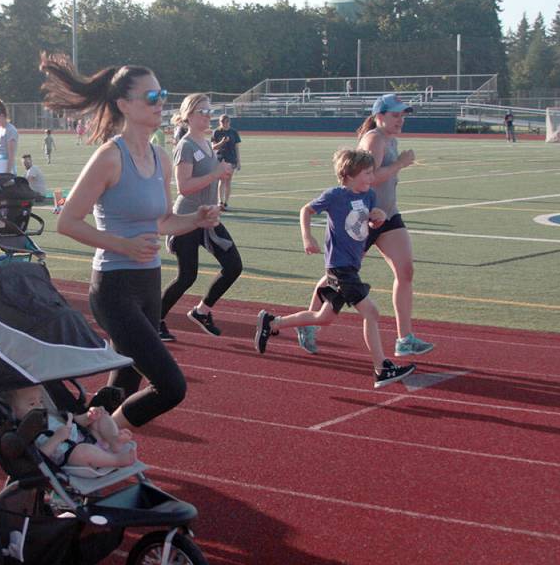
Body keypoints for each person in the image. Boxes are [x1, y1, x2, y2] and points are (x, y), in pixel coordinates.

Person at [40, 52, 221, 430]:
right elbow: (68, 221)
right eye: (151, 97)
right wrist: (121, 245)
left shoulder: (159, 157)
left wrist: (197, 219)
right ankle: (98, 437)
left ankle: (76, 437)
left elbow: (164, 221)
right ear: (124, 104)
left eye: (163, 95)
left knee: (123, 384)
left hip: (148, 284)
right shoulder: (110, 157)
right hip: (114, 287)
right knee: (171, 386)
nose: (161, 104)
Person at [254, 149, 417, 388]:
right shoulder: (335, 195)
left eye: (372, 172)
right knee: (371, 313)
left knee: (324, 318)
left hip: (352, 266)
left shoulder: (369, 196)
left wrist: (378, 217)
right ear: (349, 174)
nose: (372, 177)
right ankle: (381, 368)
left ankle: (272, 323)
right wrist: (307, 238)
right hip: (340, 268)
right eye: (367, 173)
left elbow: (369, 221)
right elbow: (306, 210)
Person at [298, 94, 434, 358]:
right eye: (396, 115)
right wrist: (400, 164)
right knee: (338, 274)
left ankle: (404, 338)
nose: (401, 120)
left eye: (403, 115)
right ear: (379, 116)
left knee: (405, 271)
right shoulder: (373, 139)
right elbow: (368, 179)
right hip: (362, 218)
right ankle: (309, 322)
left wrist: (396, 169)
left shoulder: (390, 139)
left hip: (387, 215)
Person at [158, 95, 240, 342]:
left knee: (234, 265)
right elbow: (183, 186)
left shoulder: (205, 142)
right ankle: (155, 320)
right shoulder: (186, 146)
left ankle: (202, 311)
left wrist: (221, 174)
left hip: (207, 215)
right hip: (187, 216)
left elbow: (208, 176)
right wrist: (215, 172)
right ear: (189, 115)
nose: (207, 115)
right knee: (187, 276)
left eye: (209, 110)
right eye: (202, 111)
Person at [5, 385, 136, 468]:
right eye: (32, 404)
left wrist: (89, 417)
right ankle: (116, 460)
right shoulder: (23, 431)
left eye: (41, 401)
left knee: (102, 416)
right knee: (83, 452)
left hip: (87, 438)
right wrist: (57, 438)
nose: (39, 406)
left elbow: (72, 421)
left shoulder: (47, 415)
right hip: (69, 455)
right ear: (14, 410)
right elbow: (39, 457)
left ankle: (114, 440)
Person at [212, 114, 242, 210]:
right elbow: (213, 147)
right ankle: (220, 202)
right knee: (221, 180)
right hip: (221, 158)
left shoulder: (233, 132)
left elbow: (236, 147)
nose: (225, 124)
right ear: (220, 122)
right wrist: (222, 142)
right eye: (222, 122)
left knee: (228, 181)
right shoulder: (216, 132)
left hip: (231, 159)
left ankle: (226, 203)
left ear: (229, 122)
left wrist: (238, 161)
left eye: (227, 122)